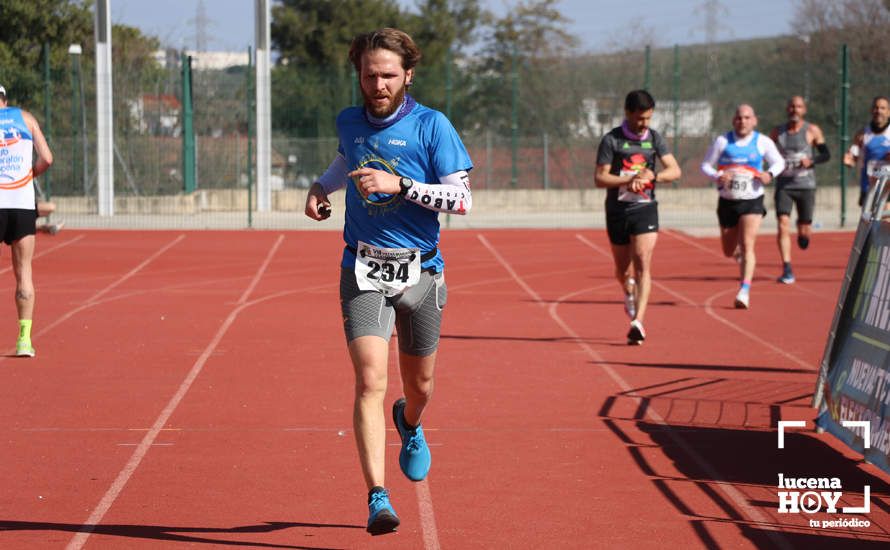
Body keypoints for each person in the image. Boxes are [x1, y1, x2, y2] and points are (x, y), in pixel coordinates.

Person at [303, 28, 472, 536]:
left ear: (408, 75)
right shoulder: (350, 122)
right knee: (369, 380)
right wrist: (319, 187)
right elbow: (345, 159)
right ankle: (378, 496)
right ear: (358, 74)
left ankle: (411, 422)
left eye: (388, 75)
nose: (377, 84)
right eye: (369, 74)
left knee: (419, 387)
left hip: (421, 273)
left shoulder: (432, 126)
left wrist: (402, 185)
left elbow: (462, 201)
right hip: (362, 269)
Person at [594, 90, 681, 345]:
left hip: (645, 208)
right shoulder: (612, 140)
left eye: (649, 118)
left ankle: (638, 322)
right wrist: (628, 180)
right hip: (618, 211)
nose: (645, 124)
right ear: (628, 113)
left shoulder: (654, 139)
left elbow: (675, 170)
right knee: (622, 271)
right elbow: (600, 178)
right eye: (641, 118)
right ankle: (628, 290)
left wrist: (654, 176)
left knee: (643, 260)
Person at [701, 104, 785, 309]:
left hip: (752, 199)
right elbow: (705, 165)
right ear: (733, 120)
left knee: (748, 244)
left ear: (754, 120)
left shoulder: (762, 141)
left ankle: (744, 290)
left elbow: (779, 163)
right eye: (739, 118)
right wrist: (719, 176)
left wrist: (768, 174)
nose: (743, 121)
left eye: (747, 118)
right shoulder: (722, 141)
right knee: (728, 250)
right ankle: (737, 249)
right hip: (728, 201)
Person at [0, 84, 53, 356]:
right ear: (5, 99)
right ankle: (24, 340)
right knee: (24, 272)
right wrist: (29, 175)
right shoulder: (26, 118)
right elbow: (47, 158)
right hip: (21, 203)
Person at [769, 96, 829, 284]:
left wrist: (811, 161)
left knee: (804, 230)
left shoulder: (812, 130)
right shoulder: (777, 132)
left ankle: (804, 235)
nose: (795, 109)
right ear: (787, 109)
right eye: (792, 106)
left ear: (804, 110)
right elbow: (766, 154)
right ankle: (787, 267)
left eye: (799, 106)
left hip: (806, 186)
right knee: (782, 223)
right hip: (784, 186)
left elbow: (826, 154)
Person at [843, 96, 890, 208]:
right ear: (871, 110)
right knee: (867, 222)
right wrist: (849, 160)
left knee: (885, 220)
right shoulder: (862, 134)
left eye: (883, 108)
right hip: (868, 186)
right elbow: (853, 156)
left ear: (889, 112)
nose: (878, 111)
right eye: (876, 107)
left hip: (888, 188)